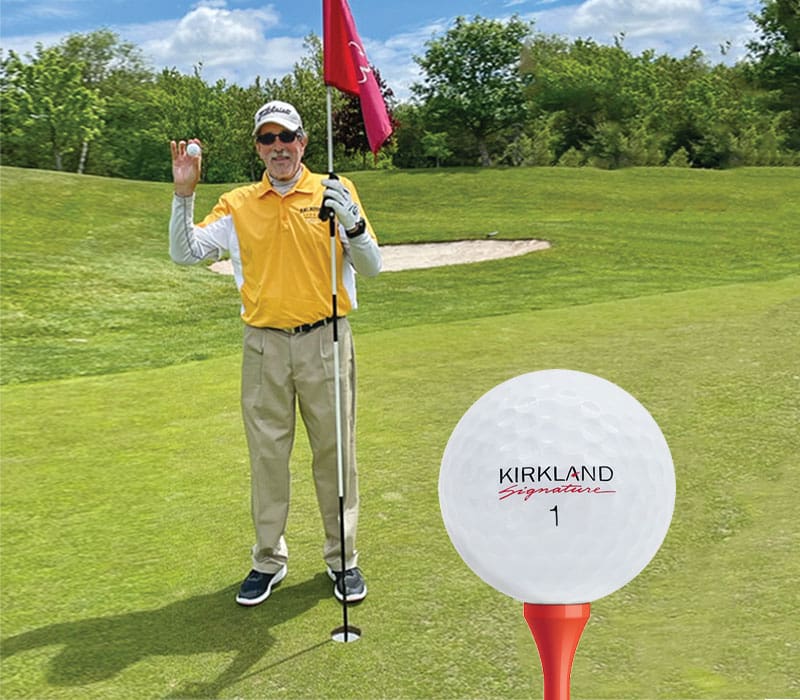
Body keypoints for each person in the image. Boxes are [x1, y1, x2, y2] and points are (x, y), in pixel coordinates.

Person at [168, 100, 381, 607]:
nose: (278, 148)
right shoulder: (238, 203)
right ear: (258, 148)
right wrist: (182, 195)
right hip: (263, 345)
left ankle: (343, 558)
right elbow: (185, 253)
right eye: (267, 139)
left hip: (326, 339)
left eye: (286, 137)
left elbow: (371, 268)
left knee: (335, 453)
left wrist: (351, 222)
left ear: (303, 142)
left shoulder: (335, 190)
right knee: (268, 458)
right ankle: (268, 559)